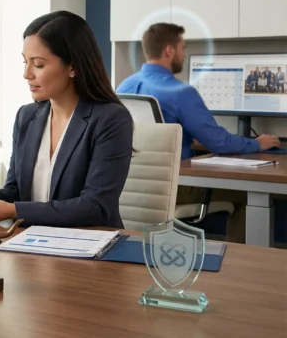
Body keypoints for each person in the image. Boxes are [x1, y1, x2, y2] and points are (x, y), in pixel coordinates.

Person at [0, 10, 134, 228]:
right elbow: (14, 191)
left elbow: (95, 206)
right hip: (30, 242)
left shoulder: (111, 119)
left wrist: (14, 210)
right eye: (25, 61)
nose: (27, 74)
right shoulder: (27, 116)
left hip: (91, 245)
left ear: (73, 67)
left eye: (39, 64)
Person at [116, 22, 280, 242]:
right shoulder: (180, 91)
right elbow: (218, 142)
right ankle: (239, 266)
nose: (184, 55)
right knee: (249, 194)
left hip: (130, 184)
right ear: (169, 50)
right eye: (183, 48)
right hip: (176, 187)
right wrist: (257, 144)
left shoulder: (124, 86)